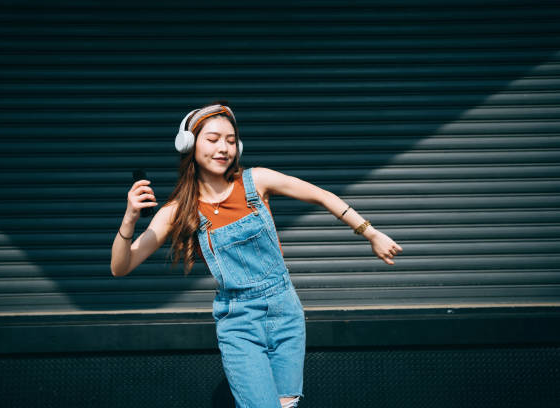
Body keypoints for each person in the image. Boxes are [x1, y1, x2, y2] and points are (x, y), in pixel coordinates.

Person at [110, 102, 403, 408]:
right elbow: (121, 266)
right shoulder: (179, 210)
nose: (223, 147)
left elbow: (321, 195)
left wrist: (370, 232)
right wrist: (130, 218)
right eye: (212, 139)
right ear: (189, 144)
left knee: (286, 405)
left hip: (285, 311)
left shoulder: (256, 181)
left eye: (230, 140)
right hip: (238, 321)